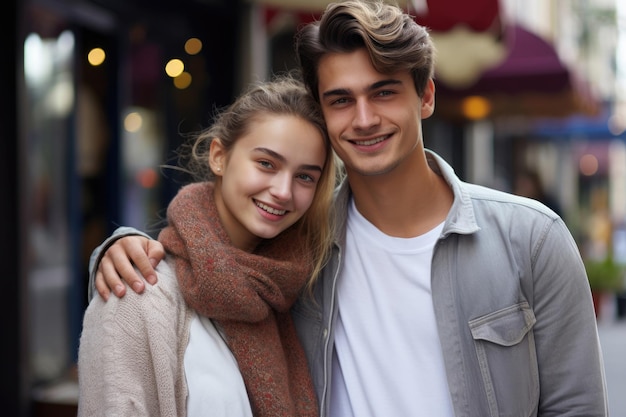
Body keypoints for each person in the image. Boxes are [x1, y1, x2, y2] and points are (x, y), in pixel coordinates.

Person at [88, 1, 608, 416]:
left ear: (424, 97)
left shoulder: (532, 239)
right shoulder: (300, 248)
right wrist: (119, 247)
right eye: (340, 100)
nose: (363, 119)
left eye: (383, 92)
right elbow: (209, 256)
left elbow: (576, 407)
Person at [77, 74, 339, 417]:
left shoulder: (300, 293)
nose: (284, 191)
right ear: (219, 156)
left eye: (305, 176)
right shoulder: (137, 295)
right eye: (266, 164)